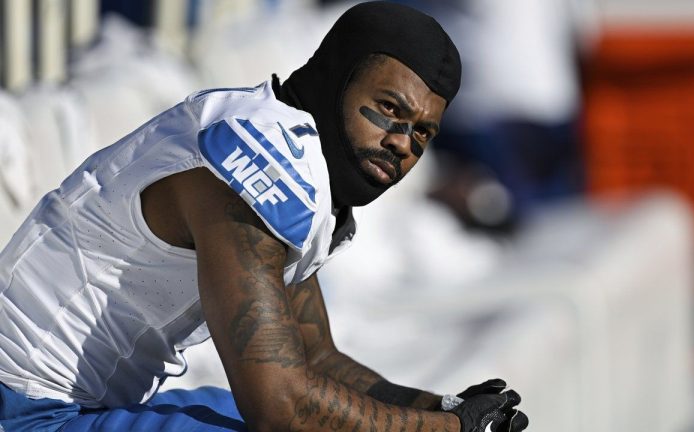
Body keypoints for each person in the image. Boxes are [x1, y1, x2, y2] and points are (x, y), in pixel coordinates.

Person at [0, 2, 528, 431]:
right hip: (29, 412)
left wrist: (443, 408)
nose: (401, 144)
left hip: (57, 403)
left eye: (422, 132)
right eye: (389, 108)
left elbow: (314, 356)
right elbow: (281, 408)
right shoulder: (264, 159)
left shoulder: (282, 139)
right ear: (336, 77)